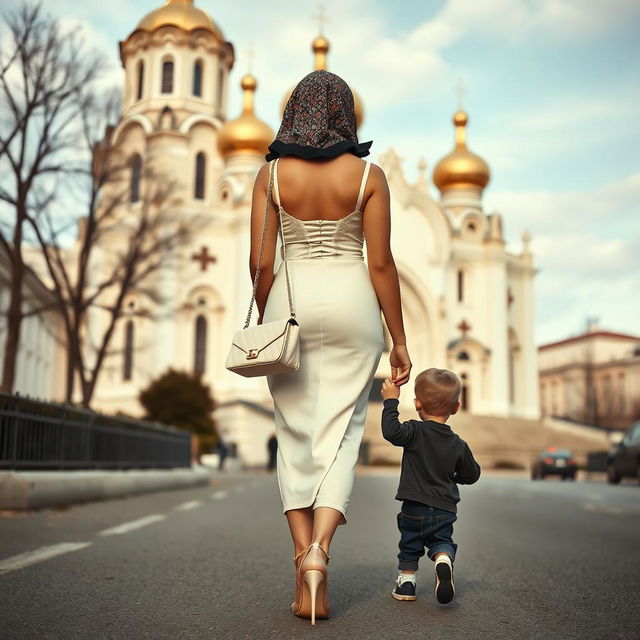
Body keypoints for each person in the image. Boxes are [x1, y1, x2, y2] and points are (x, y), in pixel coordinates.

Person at [251, 69, 412, 624]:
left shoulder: (270, 176)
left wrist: (262, 310)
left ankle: (302, 560)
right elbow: (383, 262)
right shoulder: (370, 174)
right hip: (353, 304)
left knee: (294, 433)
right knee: (342, 433)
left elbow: (261, 262)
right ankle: (321, 552)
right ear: (347, 113)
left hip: (290, 306)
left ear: (294, 110)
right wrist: (400, 340)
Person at [380, 367, 481, 605]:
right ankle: (443, 559)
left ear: (417, 404)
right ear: (456, 408)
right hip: (444, 508)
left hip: (414, 506)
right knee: (441, 540)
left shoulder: (414, 431)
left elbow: (391, 432)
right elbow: (473, 474)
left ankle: (407, 584)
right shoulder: (458, 443)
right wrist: (454, 478)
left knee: (410, 544)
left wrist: (391, 401)